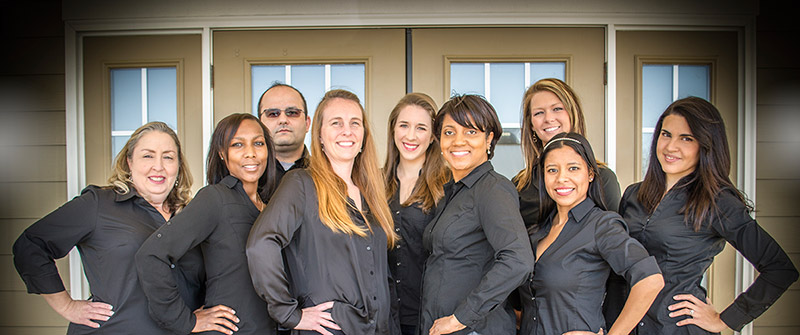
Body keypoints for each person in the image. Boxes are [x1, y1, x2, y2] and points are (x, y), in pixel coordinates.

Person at [616, 97, 798, 334]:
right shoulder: (633, 194)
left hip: (676, 327)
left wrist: (725, 319)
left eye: (687, 138)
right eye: (666, 134)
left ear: (706, 145)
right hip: (625, 325)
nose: (670, 147)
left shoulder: (718, 202)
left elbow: (780, 269)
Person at [13, 122, 204, 334]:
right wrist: (66, 306)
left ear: (178, 166)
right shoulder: (98, 205)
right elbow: (30, 245)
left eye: (168, 157)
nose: (158, 166)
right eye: (147, 156)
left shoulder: (191, 216)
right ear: (129, 162)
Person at [247, 89, 397, 335]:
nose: (347, 131)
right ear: (319, 135)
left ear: (363, 135)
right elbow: (261, 244)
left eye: (354, 123)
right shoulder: (302, 184)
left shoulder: (372, 195)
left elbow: (383, 277)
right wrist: (288, 314)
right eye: (336, 123)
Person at [136, 113, 279, 335]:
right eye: (237, 144)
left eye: (258, 143)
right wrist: (184, 321)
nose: (251, 153)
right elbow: (152, 255)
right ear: (222, 153)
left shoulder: (272, 206)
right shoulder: (215, 199)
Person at [518, 132, 664, 335]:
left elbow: (650, 280)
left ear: (590, 174)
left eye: (573, 168)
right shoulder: (537, 231)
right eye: (552, 170)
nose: (561, 178)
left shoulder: (602, 226)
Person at [420, 94, 534, 335]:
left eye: (471, 132)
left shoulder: (493, 189)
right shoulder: (454, 192)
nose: (458, 141)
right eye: (449, 132)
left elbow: (518, 260)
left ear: (489, 139)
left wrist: (459, 318)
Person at [383, 93, 450, 335]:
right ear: (393, 130)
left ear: (433, 136)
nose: (410, 136)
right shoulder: (372, 184)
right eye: (404, 125)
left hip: (430, 317)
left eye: (421, 128)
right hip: (382, 315)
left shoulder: (448, 185)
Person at [513, 78, 621, 226]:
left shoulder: (602, 178)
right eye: (539, 113)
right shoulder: (519, 185)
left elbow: (613, 237)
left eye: (557, 109)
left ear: (572, 114)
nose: (549, 119)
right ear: (531, 124)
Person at [258, 83, 311, 181]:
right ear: (259, 125)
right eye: (273, 114)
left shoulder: (328, 174)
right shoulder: (246, 175)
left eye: (292, 113)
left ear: (307, 123)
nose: (283, 120)